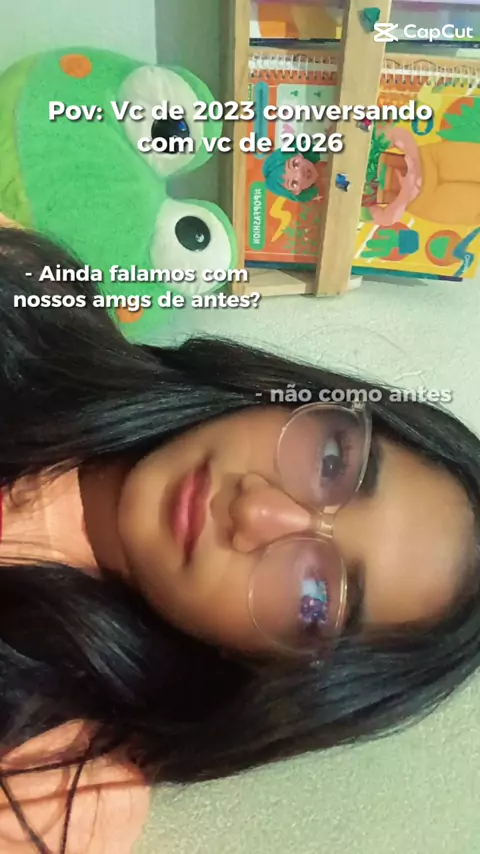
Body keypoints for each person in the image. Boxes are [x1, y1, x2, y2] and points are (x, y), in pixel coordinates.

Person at [0, 224, 479, 853]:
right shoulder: (31, 298)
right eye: (331, 462)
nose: (256, 511)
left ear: (271, 671)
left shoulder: (56, 790)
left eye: (313, 594)